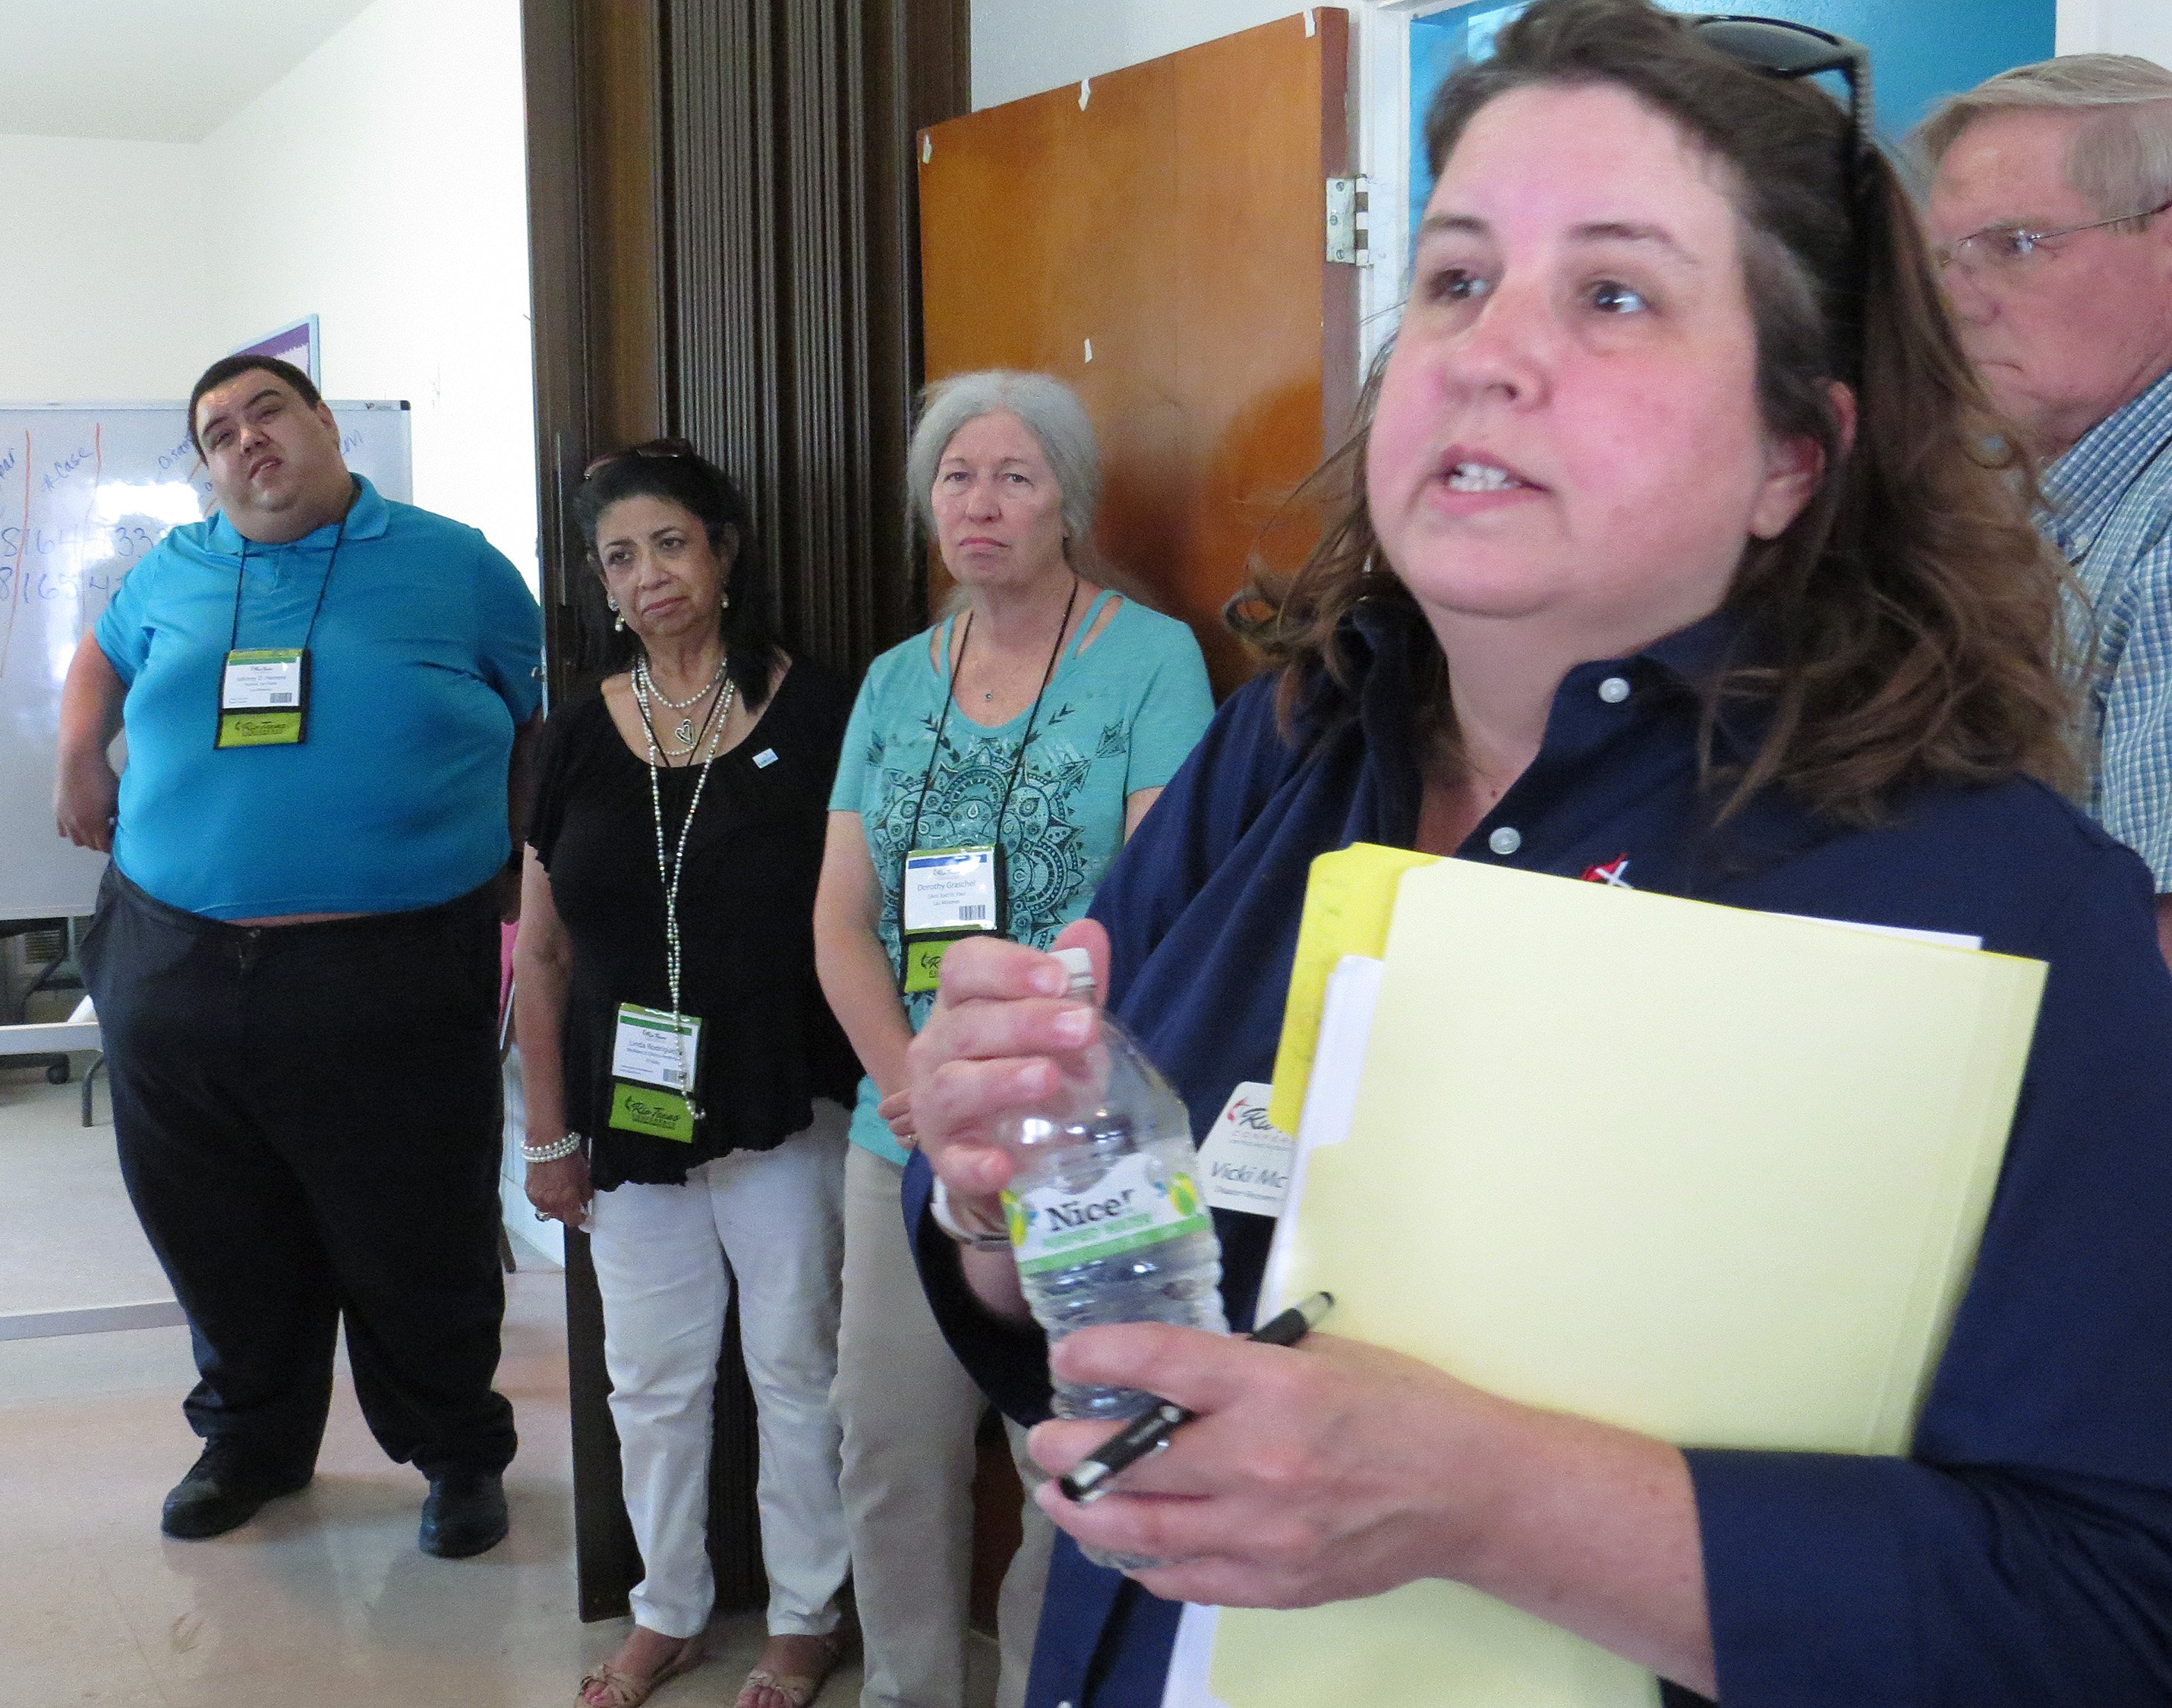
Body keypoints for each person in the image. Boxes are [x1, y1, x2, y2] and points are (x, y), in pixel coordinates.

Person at [900, 5, 2172, 1706]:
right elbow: (1052, 1283)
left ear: (1798, 454)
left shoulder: (2010, 910)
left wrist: (1490, 1500)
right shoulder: (1278, 751)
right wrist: (1001, 1181)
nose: (1488, 351)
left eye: (1615, 294)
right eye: (1454, 279)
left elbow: (2106, 1608)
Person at [55, 354, 541, 1558]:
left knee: (413, 1229)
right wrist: (79, 749)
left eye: (266, 409)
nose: (246, 439)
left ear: (324, 423)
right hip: (173, 960)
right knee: (213, 1226)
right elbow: (102, 657)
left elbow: (531, 724)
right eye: (216, 431)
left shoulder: (457, 563)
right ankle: (250, 1443)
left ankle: (455, 1452)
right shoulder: (172, 569)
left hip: (390, 967)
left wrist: (508, 876)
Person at [812, 370, 1213, 1708]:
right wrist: (907, 1084)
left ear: (1069, 505)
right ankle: (906, 1691)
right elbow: (840, 922)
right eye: (955, 477)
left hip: (1080, 1141)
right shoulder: (888, 684)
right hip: (904, 1139)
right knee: (889, 1450)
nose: (979, 504)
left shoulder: (1150, 660)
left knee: (1070, 1453)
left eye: (1015, 476)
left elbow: (1163, 914)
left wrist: (1022, 1093)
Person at [516, 440, 859, 1708]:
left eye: (671, 543)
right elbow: (542, 953)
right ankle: (668, 1607)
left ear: (720, 549)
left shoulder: (817, 711)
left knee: (797, 1365)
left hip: (784, 1095)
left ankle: (808, 1614)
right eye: (620, 556)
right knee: (649, 1380)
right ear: (600, 584)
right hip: (630, 1109)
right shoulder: (570, 733)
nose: (649, 575)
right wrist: (547, 1134)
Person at [1918, 55, 2172, 963]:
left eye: (2015, 244)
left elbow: (2154, 968)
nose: (1955, 304)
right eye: (1942, 260)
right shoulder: (2036, 505)